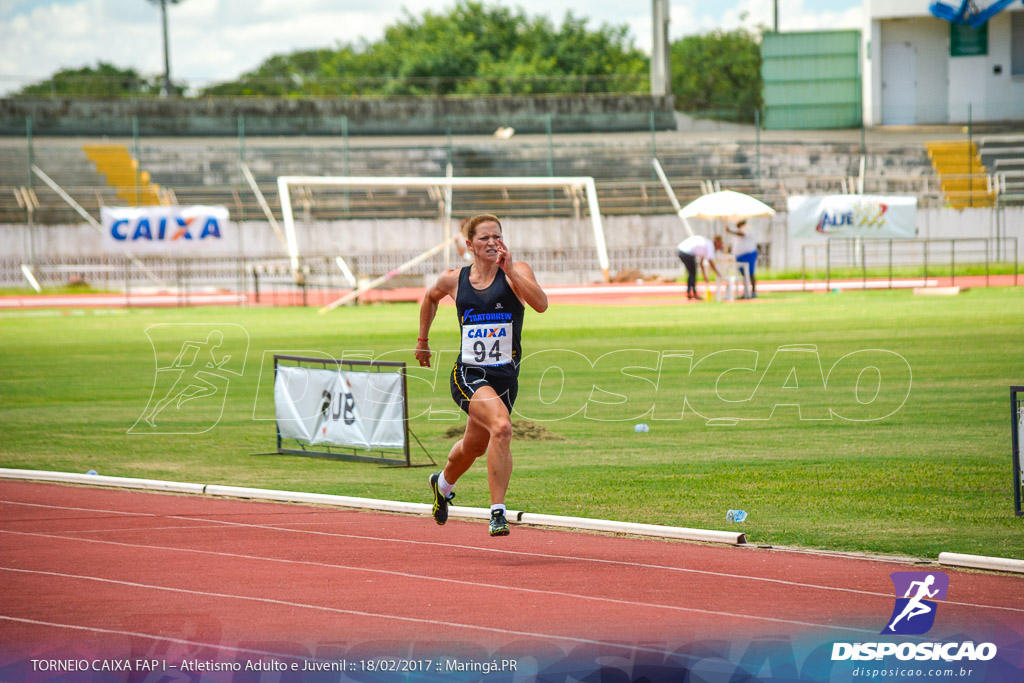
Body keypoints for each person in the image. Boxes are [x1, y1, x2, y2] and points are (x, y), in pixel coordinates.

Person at [415, 214, 548, 537]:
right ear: (470, 245)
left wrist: (511, 271)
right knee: (501, 427)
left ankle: (442, 484)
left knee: (475, 445)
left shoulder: (518, 272)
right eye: (485, 238)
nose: (492, 243)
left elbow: (541, 304)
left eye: (497, 237)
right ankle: (497, 512)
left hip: (505, 377)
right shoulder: (453, 280)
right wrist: (423, 341)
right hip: (468, 374)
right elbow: (430, 298)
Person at [677, 234, 723, 300]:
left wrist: (705, 276)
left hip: (682, 250)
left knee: (692, 273)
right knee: (692, 273)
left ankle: (690, 292)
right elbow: (711, 262)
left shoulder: (706, 245)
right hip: (686, 252)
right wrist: (718, 273)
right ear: (717, 242)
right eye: (720, 243)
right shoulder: (710, 246)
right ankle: (693, 293)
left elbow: (701, 263)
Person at [726, 219, 759, 298]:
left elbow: (742, 234)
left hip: (748, 255)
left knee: (750, 273)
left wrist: (730, 231)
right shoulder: (740, 229)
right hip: (740, 256)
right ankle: (746, 292)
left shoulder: (747, 228)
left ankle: (753, 291)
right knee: (744, 275)